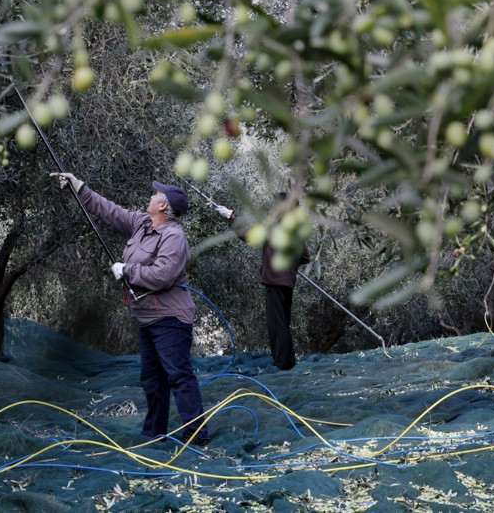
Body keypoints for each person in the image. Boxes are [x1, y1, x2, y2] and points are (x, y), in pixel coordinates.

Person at [51, 172, 209, 445]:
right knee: (151, 380)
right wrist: (80, 187)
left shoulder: (173, 236)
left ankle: (197, 436)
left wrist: (127, 270)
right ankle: (154, 435)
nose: (150, 195)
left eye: (155, 193)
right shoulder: (141, 223)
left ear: (162, 205)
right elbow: (110, 211)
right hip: (146, 318)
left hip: (170, 318)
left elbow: (163, 275)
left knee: (179, 376)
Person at [216, 193, 310, 370]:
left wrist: (232, 218)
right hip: (288, 281)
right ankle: (288, 360)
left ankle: (281, 363)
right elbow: (305, 256)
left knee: (276, 325)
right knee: (283, 322)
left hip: (275, 280)